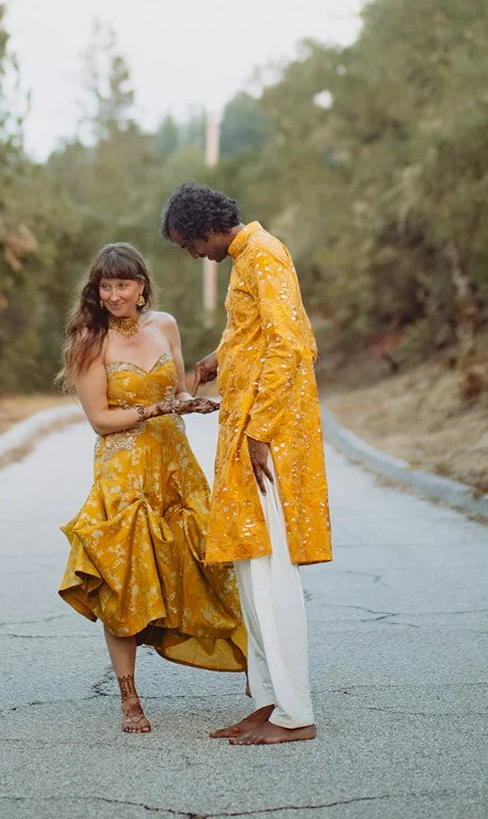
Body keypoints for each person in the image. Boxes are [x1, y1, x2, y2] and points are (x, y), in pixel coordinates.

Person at [161, 182, 332, 746]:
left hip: (269, 439)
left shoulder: (264, 253)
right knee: (250, 571)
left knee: (270, 574)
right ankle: (267, 700)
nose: (194, 254)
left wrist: (261, 430)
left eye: (190, 244)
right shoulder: (244, 261)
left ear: (207, 228)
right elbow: (252, 334)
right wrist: (213, 362)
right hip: (246, 434)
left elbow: (292, 344)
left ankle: (296, 712)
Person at [58, 242, 247, 734]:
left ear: (142, 286)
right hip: (123, 471)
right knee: (122, 576)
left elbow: (178, 388)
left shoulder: (164, 325)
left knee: (207, 559)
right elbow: (100, 419)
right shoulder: (88, 339)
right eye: (105, 286)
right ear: (96, 291)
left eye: (123, 284)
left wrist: (191, 401)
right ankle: (129, 697)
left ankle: (256, 667)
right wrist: (155, 411)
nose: (114, 295)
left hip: (174, 464)